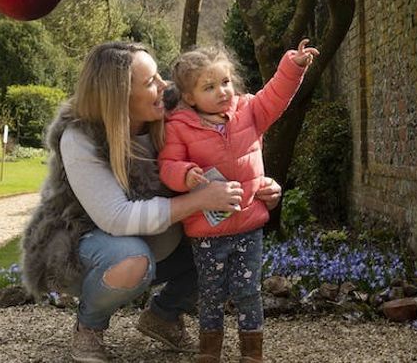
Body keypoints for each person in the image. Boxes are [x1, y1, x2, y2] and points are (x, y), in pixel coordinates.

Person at [19, 41, 283, 363]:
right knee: (132, 260)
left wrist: (258, 189)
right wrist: (199, 200)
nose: (164, 86)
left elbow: (227, 149)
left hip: (160, 237)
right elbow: (115, 218)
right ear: (120, 98)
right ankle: (89, 327)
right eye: (150, 82)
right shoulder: (82, 137)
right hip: (85, 245)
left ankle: (164, 314)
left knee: (222, 246)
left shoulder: (177, 110)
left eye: (159, 76)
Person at [159, 39, 318, 363]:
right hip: (207, 233)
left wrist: (293, 64)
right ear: (189, 97)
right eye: (210, 86)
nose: (222, 91)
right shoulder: (179, 126)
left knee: (249, 293)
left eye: (226, 82)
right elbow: (168, 165)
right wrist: (185, 174)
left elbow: (275, 96)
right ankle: (209, 352)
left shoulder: (249, 111)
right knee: (212, 294)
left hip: (248, 228)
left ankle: (252, 353)